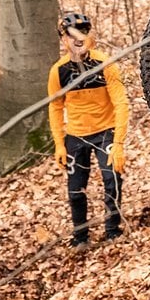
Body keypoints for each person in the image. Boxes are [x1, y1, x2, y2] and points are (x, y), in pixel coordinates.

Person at [47, 12, 129, 247]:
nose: (78, 38)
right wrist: (59, 143)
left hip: (106, 131)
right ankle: (80, 237)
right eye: (72, 34)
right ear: (64, 39)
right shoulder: (58, 71)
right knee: (75, 190)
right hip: (75, 135)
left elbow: (121, 103)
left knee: (112, 179)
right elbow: (55, 106)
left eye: (83, 32)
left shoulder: (104, 63)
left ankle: (113, 230)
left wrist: (120, 143)